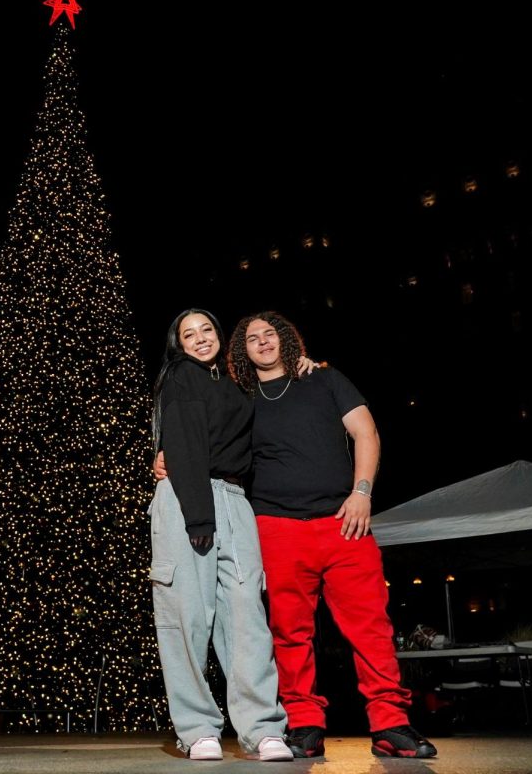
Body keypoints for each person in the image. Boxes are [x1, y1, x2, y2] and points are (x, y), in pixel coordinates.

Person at [156, 310, 436, 759]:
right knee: (286, 633)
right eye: (252, 338)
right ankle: (303, 724)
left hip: (342, 521)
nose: (263, 341)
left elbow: (366, 431)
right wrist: (167, 454)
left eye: (271, 334)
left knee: (370, 628)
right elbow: (201, 430)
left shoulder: (323, 379)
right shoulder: (242, 394)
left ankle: (391, 724)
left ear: (287, 340)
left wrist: (362, 492)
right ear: (240, 353)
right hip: (275, 526)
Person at [149, 308, 292, 762]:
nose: (200, 338)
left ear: (218, 335)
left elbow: (273, 394)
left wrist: (305, 365)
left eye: (206, 329)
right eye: (188, 334)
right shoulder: (181, 377)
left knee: (247, 616)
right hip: (189, 498)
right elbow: (186, 445)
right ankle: (197, 729)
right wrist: (197, 517)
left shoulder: (233, 385)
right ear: (179, 344)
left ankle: (262, 728)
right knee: (188, 615)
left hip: (233, 498)